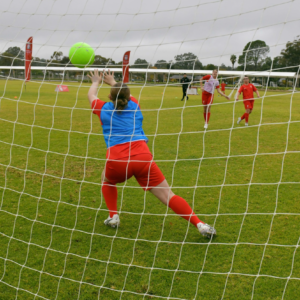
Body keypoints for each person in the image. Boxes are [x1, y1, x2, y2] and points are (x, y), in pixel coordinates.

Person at [87, 69, 216, 239]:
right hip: (142, 157)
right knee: (168, 195)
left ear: (110, 97)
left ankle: (113, 216)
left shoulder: (102, 108)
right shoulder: (134, 104)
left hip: (117, 160)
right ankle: (200, 224)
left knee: (106, 178)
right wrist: (112, 81)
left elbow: (91, 95)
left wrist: (96, 81)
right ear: (127, 96)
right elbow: (126, 94)